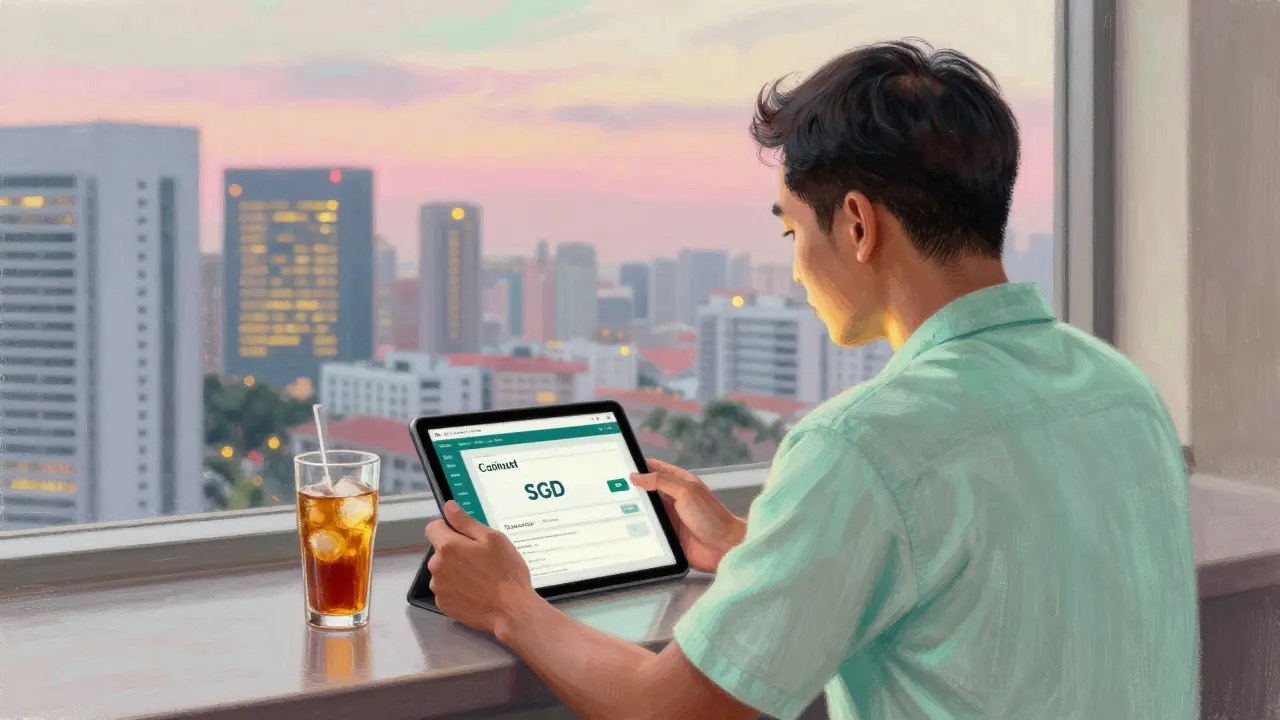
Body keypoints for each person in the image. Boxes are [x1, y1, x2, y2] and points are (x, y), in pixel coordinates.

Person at [423, 39, 1198, 720]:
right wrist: (753, 545)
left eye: (792, 229)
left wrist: (509, 603)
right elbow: (990, 574)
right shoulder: (1120, 389)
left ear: (858, 225)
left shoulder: (864, 444)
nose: (795, 268)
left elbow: (666, 710)